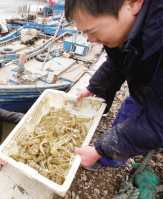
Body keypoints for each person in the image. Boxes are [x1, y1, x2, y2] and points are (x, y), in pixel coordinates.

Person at [64, 0, 163, 170]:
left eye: (93, 31)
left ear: (134, 3)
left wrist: (100, 149)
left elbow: (158, 121)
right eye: (84, 33)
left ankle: (106, 157)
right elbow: (120, 62)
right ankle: (109, 157)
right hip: (144, 86)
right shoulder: (126, 31)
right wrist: (94, 87)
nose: (90, 40)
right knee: (128, 113)